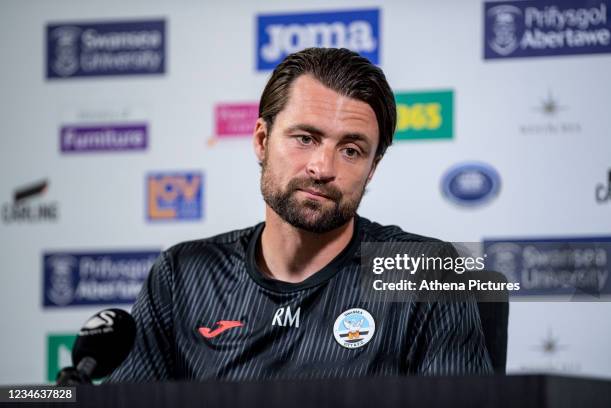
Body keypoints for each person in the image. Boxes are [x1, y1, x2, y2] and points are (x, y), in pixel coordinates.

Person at [107, 48, 492, 382]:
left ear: (372, 168)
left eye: (351, 150)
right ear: (261, 140)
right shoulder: (183, 275)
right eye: (305, 139)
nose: (322, 167)